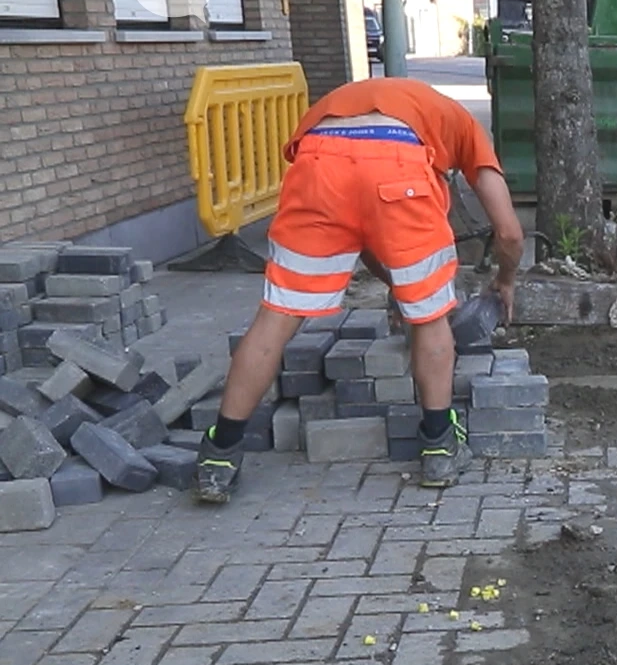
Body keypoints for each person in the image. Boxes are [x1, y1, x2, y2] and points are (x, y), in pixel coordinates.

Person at [196, 76, 526, 503]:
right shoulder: (463, 125)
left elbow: (361, 224)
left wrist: (396, 282)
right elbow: (511, 233)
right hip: (399, 166)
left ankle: (219, 458)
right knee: (430, 317)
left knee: (276, 318)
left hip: (317, 168)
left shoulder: (348, 101)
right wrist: (504, 281)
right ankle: (440, 446)